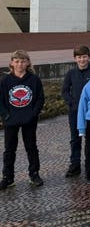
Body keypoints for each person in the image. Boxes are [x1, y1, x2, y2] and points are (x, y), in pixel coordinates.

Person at [0, 50, 45, 190]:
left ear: (28, 63)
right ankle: (8, 177)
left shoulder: (34, 79)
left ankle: (34, 174)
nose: (20, 64)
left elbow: (39, 98)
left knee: (31, 147)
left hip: (29, 120)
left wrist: (33, 114)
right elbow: (0, 100)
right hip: (11, 120)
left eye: (23, 61)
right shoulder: (5, 80)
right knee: (9, 150)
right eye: (17, 61)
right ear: (12, 63)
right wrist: (6, 115)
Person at [62, 45, 90, 178]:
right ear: (75, 59)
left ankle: (89, 165)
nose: (82, 60)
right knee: (75, 139)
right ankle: (75, 165)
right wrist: (72, 102)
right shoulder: (71, 73)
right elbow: (65, 91)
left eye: (84, 57)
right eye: (79, 57)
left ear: (89, 57)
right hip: (75, 111)